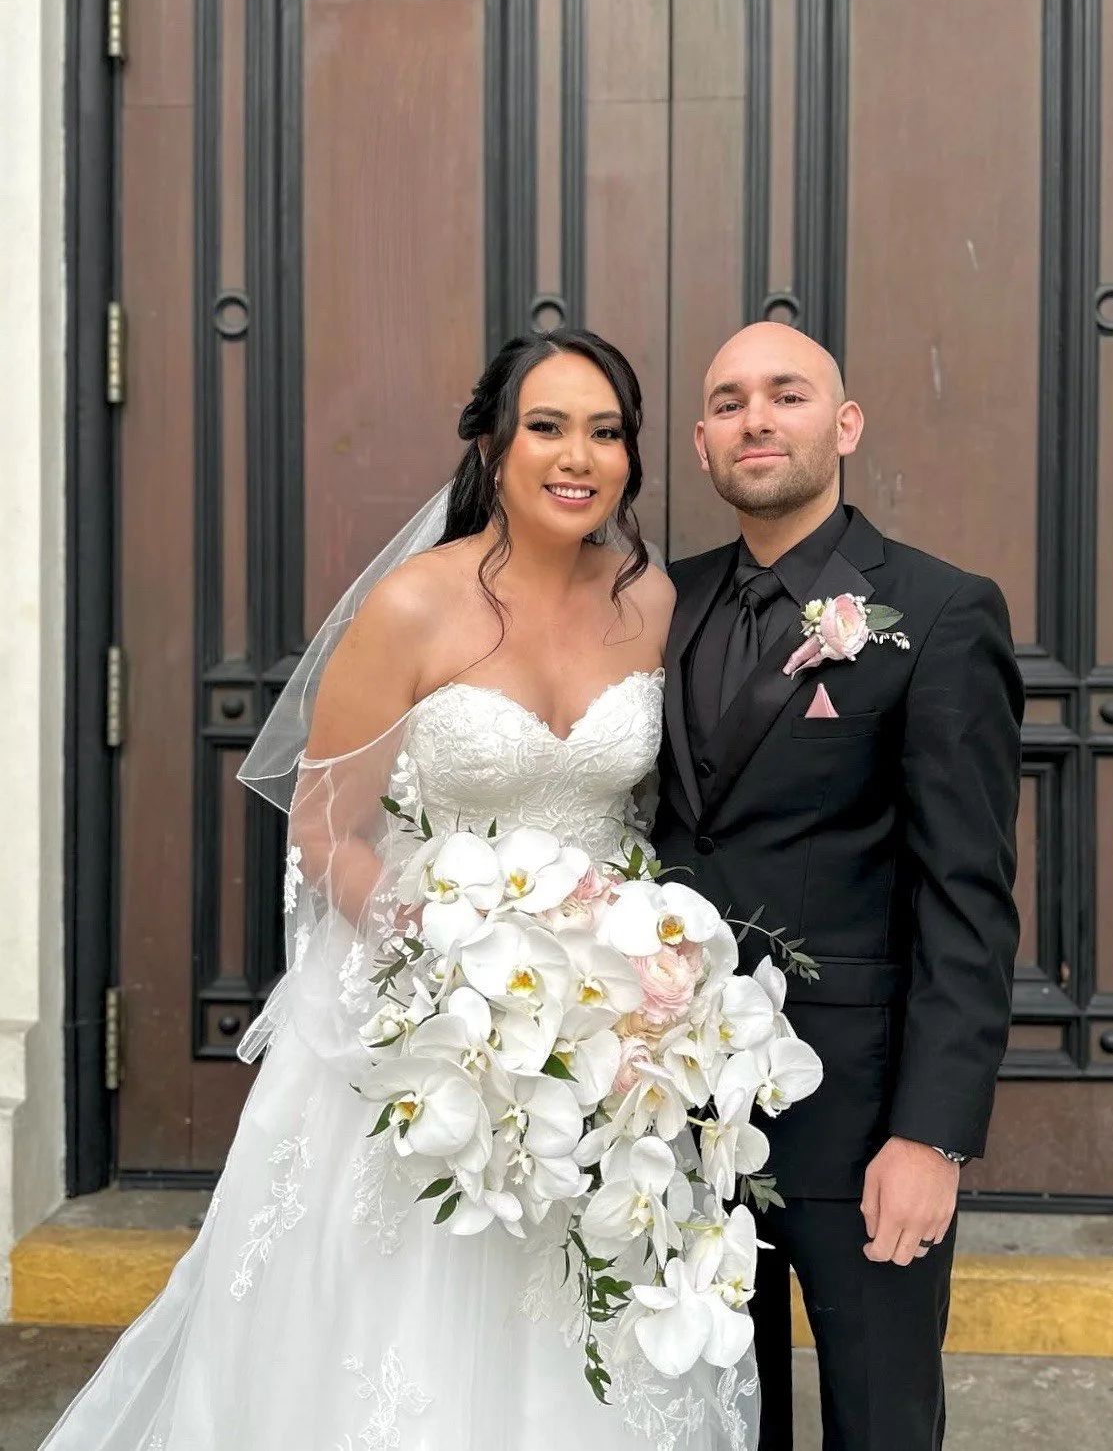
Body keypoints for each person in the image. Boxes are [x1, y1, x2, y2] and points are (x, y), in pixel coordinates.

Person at [38, 330, 757, 1451]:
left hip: (604, 1042)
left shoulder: (652, 601)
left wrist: (638, 973)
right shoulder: (414, 607)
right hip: (431, 1023)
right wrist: (435, 946)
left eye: (607, 431)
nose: (581, 456)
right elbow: (326, 823)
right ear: (491, 442)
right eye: (548, 425)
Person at [652, 321, 1024, 1451]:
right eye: (727, 401)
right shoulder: (658, 604)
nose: (754, 417)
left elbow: (968, 897)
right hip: (673, 1122)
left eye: (786, 393)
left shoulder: (939, 610)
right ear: (703, 445)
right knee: (713, 1419)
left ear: (844, 425)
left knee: (880, 1420)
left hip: (860, 1122)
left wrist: (932, 1136)